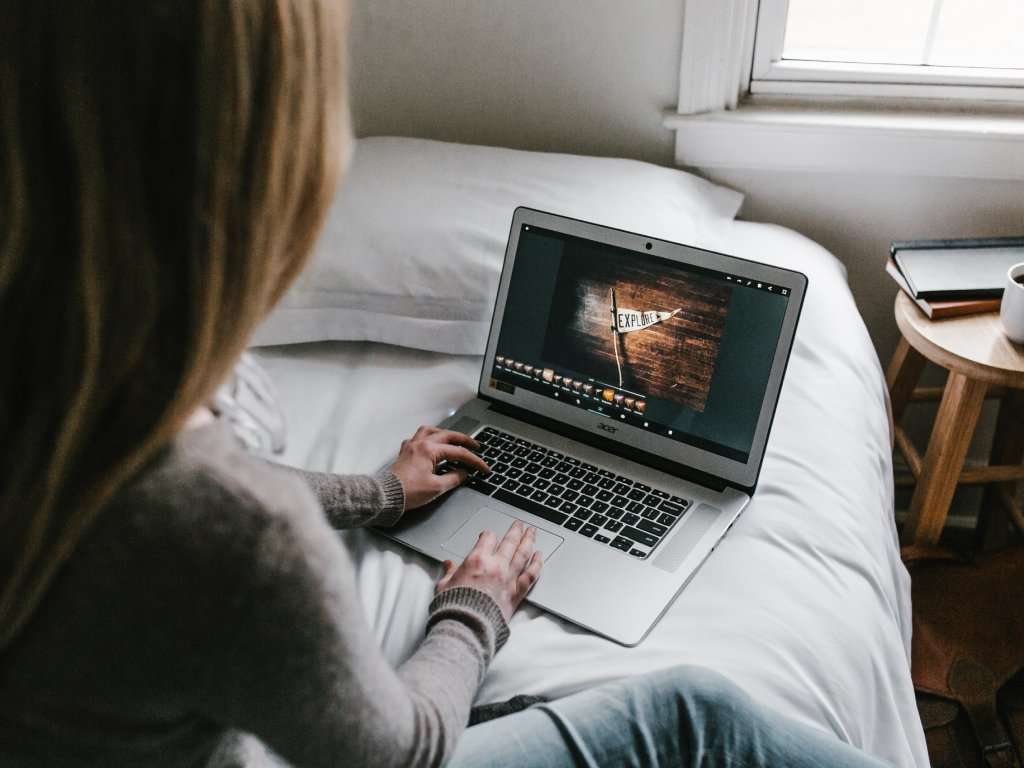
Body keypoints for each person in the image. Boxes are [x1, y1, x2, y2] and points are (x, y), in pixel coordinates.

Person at [0, 2, 891, 766]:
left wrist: (380, 491)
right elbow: (405, 749)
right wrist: (473, 608)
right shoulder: (238, 539)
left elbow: (164, 494)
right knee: (691, 716)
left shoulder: (62, 396)